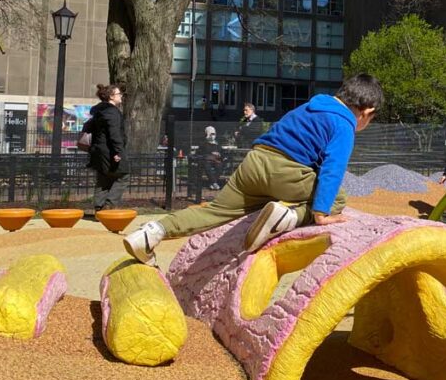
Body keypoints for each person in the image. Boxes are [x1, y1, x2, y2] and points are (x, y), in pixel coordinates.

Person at [124, 74, 383, 265]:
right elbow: (332, 169)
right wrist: (321, 213)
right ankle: (288, 218)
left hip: (254, 162)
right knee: (337, 197)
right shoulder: (344, 124)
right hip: (288, 172)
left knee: (215, 211)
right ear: (366, 112)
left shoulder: (310, 106)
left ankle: (151, 233)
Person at [86, 84, 128, 212]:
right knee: (123, 175)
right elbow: (114, 133)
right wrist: (118, 152)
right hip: (109, 151)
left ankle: (99, 208)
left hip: (98, 151)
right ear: (111, 96)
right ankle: (109, 205)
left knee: (103, 178)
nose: (121, 96)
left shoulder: (98, 112)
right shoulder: (112, 112)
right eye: (118, 94)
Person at [200, 126, 224, 190]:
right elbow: (200, 153)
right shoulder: (203, 143)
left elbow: (221, 152)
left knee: (220, 166)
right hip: (207, 160)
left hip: (216, 160)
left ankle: (212, 183)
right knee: (207, 167)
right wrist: (211, 153)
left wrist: (219, 154)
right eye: (211, 134)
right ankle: (214, 183)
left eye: (214, 134)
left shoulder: (217, 143)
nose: (213, 136)